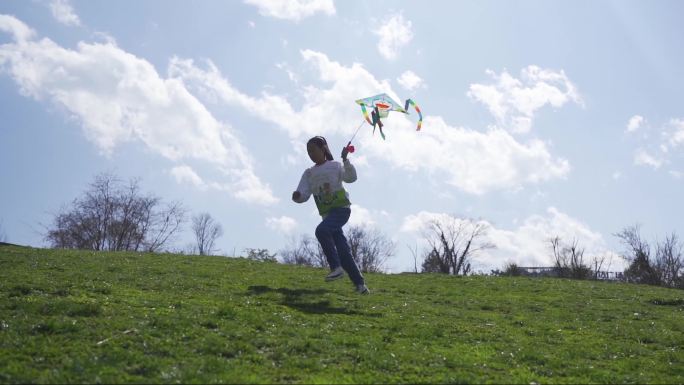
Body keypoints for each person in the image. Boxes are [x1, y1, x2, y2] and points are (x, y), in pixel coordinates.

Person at [292, 136, 369, 294]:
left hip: (341, 209)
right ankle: (361, 286)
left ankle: (336, 267)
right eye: (308, 151)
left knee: (321, 231)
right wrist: (297, 196)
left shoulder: (335, 166)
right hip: (327, 215)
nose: (311, 154)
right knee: (343, 251)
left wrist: (346, 160)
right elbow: (303, 193)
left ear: (324, 149)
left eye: (313, 150)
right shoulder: (309, 173)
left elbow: (351, 178)